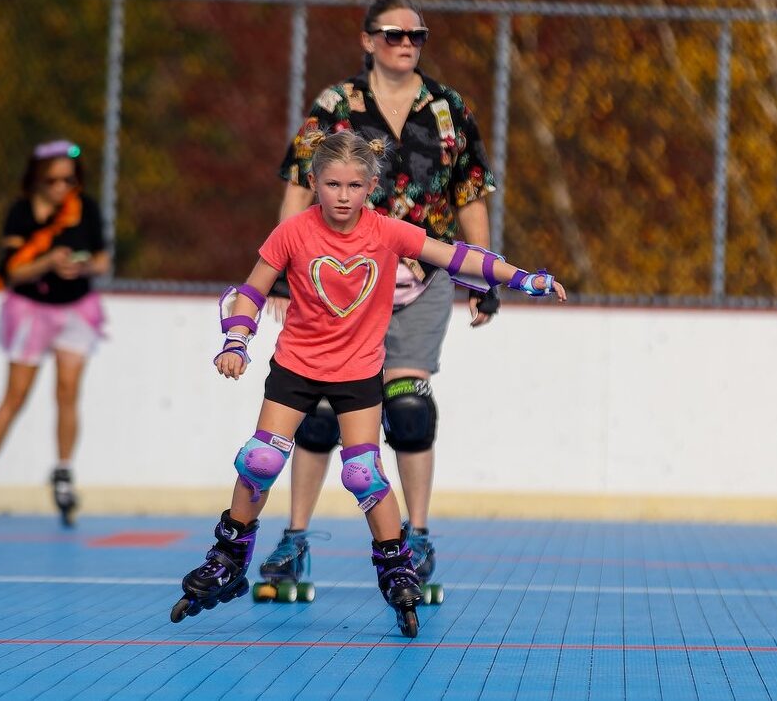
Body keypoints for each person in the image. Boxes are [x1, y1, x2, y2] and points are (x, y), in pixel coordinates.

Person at [169, 130, 565, 638]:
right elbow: (252, 289)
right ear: (313, 182)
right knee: (260, 460)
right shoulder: (292, 233)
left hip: (358, 372)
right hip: (296, 366)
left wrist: (522, 278)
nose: (342, 196)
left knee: (364, 474)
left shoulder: (387, 232)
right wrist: (236, 342)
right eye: (332, 184)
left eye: (354, 186)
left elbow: (458, 257)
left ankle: (396, 565)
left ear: (372, 186)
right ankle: (229, 556)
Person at [264, 0, 498, 595]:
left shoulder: (447, 108)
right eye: (393, 34)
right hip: (335, 279)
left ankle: (416, 538)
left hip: (419, 279)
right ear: (367, 39)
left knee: (409, 407)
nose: (405, 45)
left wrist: (485, 278)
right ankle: (295, 540)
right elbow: (298, 188)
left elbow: (470, 193)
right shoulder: (335, 105)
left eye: (416, 36)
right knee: (316, 413)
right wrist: (287, 273)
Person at [0, 139, 110, 526]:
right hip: (31, 310)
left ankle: (63, 472)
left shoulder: (84, 208)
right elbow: (12, 272)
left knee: (68, 392)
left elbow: (102, 259)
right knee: (16, 394)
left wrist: (82, 266)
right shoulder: (21, 212)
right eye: (54, 180)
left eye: (68, 180)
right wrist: (48, 263)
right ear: (38, 179)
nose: (62, 187)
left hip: (75, 308)